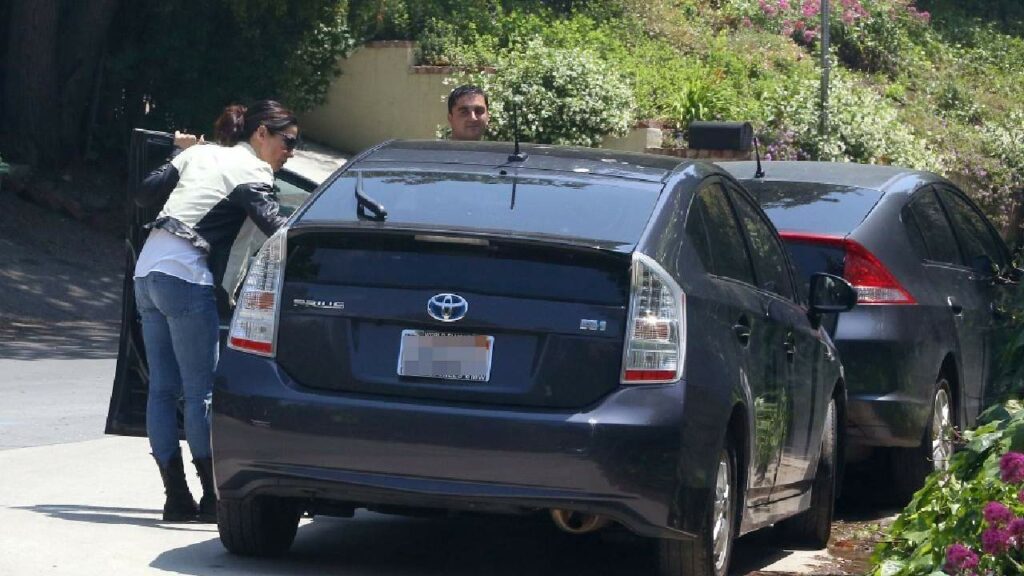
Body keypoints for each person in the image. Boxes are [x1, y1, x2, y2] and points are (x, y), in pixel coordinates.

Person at [133, 100, 298, 523]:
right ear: (261, 133)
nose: (291, 151)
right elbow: (275, 227)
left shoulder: (199, 152)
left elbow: (143, 191)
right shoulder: (254, 170)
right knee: (199, 393)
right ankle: (212, 498)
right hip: (186, 276)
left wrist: (177, 149)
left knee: (162, 391)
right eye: (288, 141)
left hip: (147, 271)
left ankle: (176, 498)